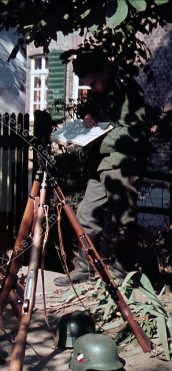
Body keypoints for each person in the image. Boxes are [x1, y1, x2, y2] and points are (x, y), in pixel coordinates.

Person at [53, 51, 151, 286]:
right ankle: (84, 269)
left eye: (94, 83)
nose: (93, 89)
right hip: (100, 165)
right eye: (88, 86)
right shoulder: (102, 87)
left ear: (105, 71)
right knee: (86, 214)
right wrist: (86, 116)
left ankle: (123, 275)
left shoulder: (128, 89)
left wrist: (98, 138)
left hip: (123, 165)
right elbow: (94, 111)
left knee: (122, 221)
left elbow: (136, 131)